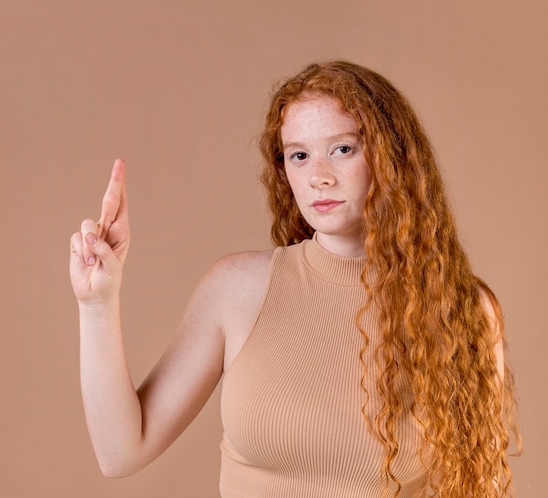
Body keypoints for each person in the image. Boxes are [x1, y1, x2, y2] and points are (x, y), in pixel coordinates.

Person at [70, 61, 521, 497]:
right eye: (299, 155)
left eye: (342, 149)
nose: (319, 177)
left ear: (392, 158)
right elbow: (120, 453)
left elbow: (475, 487)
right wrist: (96, 304)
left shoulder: (461, 308)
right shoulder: (237, 289)